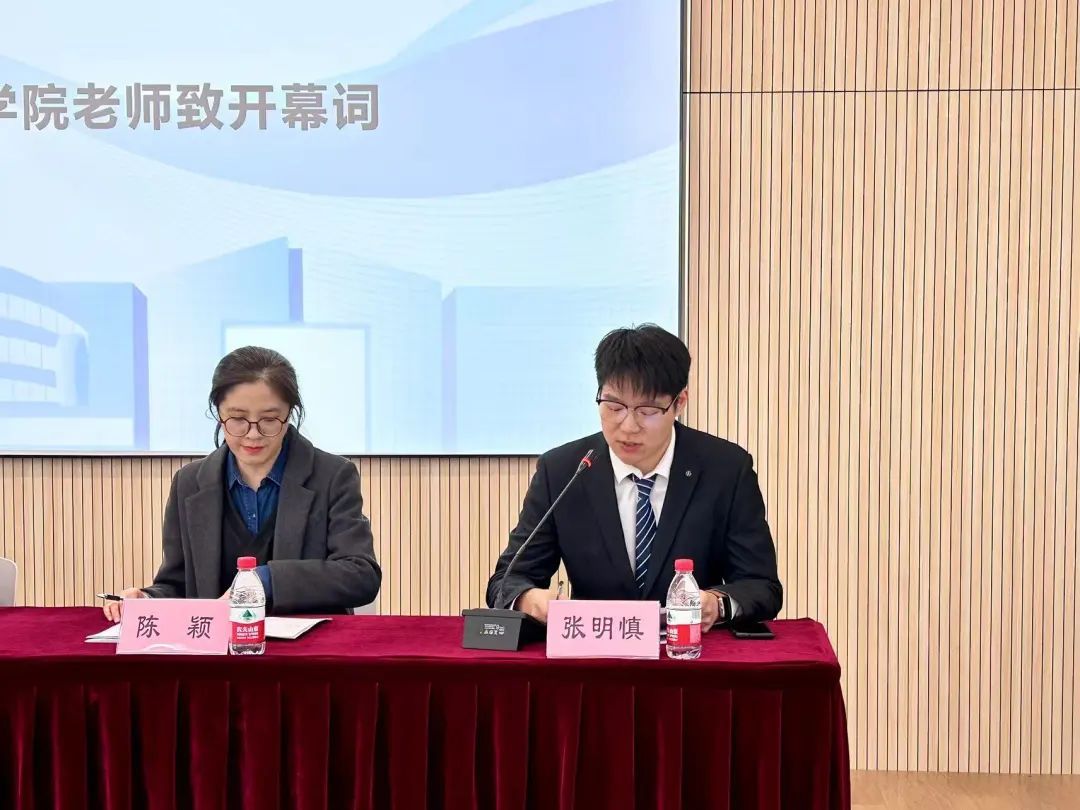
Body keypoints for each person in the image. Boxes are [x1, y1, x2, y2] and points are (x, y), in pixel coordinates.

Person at [486, 324, 782, 630]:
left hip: (690, 649)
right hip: (595, 650)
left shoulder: (726, 469)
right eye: (614, 406)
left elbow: (761, 586)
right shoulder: (562, 471)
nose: (628, 426)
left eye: (647, 410)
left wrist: (716, 604)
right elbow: (506, 581)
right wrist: (531, 600)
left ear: (679, 403)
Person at [104, 346, 381, 621]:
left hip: (309, 643)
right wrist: (147, 599)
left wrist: (266, 580)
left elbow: (361, 575)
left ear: (289, 414)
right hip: (219, 644)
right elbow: (178, 585)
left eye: (269, 420)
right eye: (237, 419)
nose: (253, 434)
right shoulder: (189, 483)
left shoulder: (332, 475)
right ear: (218, 412)